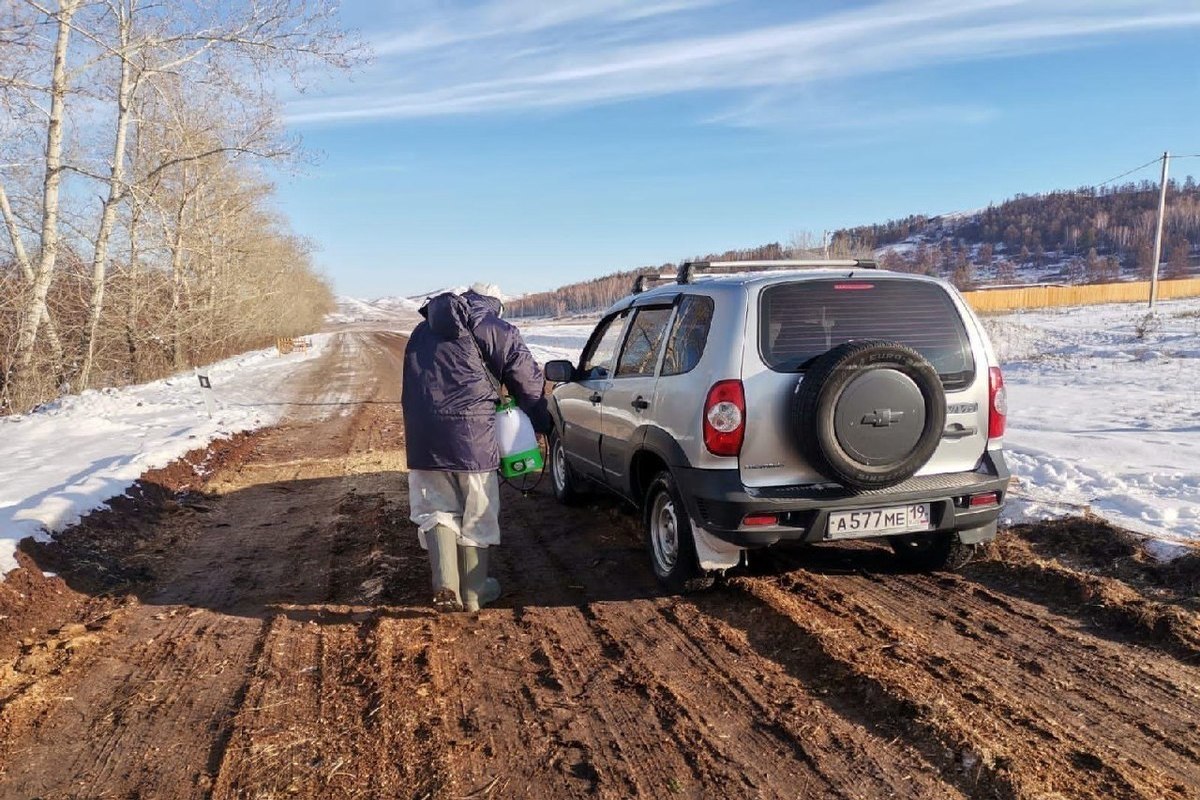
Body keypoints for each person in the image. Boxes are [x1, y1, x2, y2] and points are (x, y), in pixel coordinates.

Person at [401, 283, 551, 612]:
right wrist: (543, 423)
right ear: (493, 303)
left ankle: (446, 584)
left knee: (436, 508)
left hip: (424, 439)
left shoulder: (420, 331)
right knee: (477, 510)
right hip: (472, 438)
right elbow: (528, 382)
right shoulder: (496, 329)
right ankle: (474, 590)